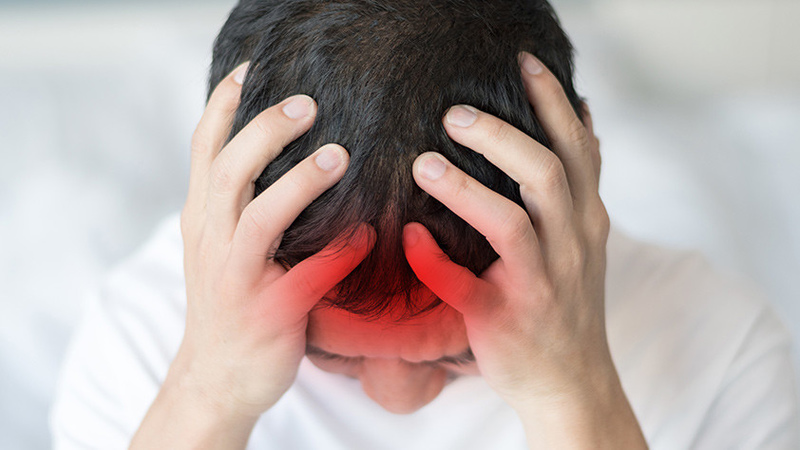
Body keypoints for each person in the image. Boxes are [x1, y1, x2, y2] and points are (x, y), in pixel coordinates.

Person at [51, 0, 799, 448]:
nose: (396, 400)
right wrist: (207, 396)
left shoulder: (722, 353)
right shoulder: (140, 342)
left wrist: (574, 397)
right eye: (332, 355)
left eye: (455, 356)